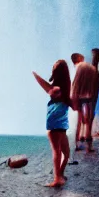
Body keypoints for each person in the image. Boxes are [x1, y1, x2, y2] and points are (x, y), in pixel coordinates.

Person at [33, 60, 71, 188]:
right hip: (59, 124)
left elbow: (46, 87)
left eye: (54, 68)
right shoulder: (65, 88)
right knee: (63, 152)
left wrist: (35, 75)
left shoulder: (57, 89)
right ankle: (59, 176)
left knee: (59, 152)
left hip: (55, 123)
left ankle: (58, 177)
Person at [72, 56, 99, 152]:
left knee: (79, 121)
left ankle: (77, 145)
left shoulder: (79, 67)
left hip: (80, 98)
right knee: (88, 122)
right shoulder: (92, 69)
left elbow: (75, 84)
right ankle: (89, 147)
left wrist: (73, 99)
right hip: (88, 98)